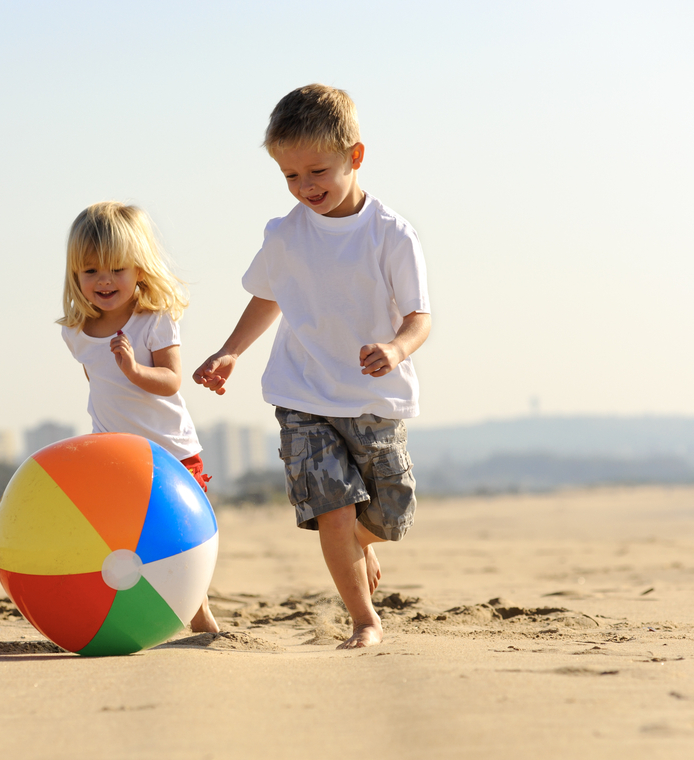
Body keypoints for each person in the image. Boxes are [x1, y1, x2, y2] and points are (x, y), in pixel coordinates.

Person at [193, 84, 431, 649]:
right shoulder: (286, 234)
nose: (305, 188)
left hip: (374, 397)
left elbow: (420, 317)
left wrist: (395, 349)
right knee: (333, 511)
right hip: (302, 395)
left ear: (355, 155)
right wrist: (230, 350)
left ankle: (360, 542)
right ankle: (364, 619)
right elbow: (268, 296)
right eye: (290, 177)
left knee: (393, 511)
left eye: (317, 171)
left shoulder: (391, 235)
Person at [59, 201, 218, 634]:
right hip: (116, 455)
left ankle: (199, 611)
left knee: (180, 537)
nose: (104, 280)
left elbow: (170, 380)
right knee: (125, 540)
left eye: (116, 269)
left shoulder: (153, 320)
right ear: (76, 276)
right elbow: (99, 389)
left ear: (140, 270)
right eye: (90, 271)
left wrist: (133, 369)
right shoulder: (75, 333)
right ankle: (128, 610)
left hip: (171, 450)